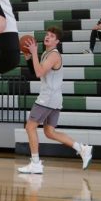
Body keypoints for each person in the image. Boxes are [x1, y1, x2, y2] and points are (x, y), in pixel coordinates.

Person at [17, 28, 93, 175]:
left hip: (48, 97)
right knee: (49, 132)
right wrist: (28, 57)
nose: (47, 37)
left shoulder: (53, 55)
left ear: (57, 41)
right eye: (47, 35)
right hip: (54, 97)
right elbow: (36, 72)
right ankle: (82, 148)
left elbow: (39, 72)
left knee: (30, 127)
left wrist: (33, 53)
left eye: (52, 36)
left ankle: (35, 163)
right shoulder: (46, 54)